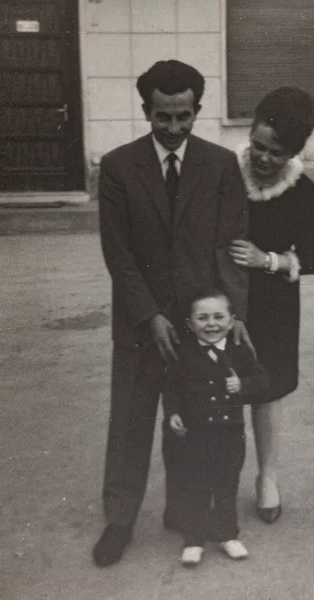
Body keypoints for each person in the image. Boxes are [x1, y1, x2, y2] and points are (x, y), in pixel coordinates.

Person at [93, 60, 250, 568]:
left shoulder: (222, 164)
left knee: (200, 421)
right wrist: (149, 315)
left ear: (197, 110)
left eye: (185, 116)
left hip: (203, 323)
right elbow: (118, 253)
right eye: (164, 117)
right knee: (131, 420)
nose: (175, 128)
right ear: (147, 111)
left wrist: (229, 315)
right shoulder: (118, 167)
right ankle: (119, 519)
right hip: (141, 324)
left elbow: (230, 246)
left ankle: (184, 513)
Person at [229, 87, 314, 524]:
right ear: (249, 133)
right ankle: (214, 479)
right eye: (257, 146)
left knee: (266, 389)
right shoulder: (223, 174)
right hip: (220, 298)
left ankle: (267, 477)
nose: (263, 159)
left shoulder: (306, 194)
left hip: (274, 304)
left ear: (294, 152)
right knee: (217, 385)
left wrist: (267, 260)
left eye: (276, 152)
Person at [164, 288, 271, 566]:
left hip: (230, 435)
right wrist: (172, 412)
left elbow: (263, 380)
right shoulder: (184, 353)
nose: (211, 324)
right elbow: (172, 386)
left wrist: (243, 385)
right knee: (196, 486)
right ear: (189, 324)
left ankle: (227, 535)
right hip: (195, 436)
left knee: (226, 485)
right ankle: (194, 539)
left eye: (218, 316)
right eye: (202, 318)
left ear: (232, 319)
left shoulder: (239, 351)